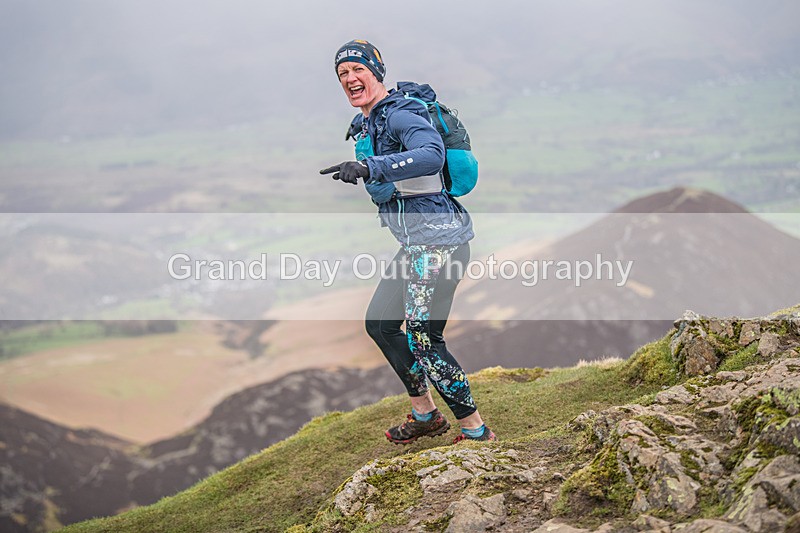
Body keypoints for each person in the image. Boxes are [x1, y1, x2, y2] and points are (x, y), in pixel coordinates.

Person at [320, 39, 495, 444]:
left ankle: (476, 431)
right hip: (417, 245)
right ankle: (426, 415)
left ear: (376, 72)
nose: (350, 78)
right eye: (342, 74)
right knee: (381, 324)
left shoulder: (401, 113)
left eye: (357, 70)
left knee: (423, 337)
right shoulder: (372, 121)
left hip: (440, 244)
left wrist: (369, 166)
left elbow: (432, 155)